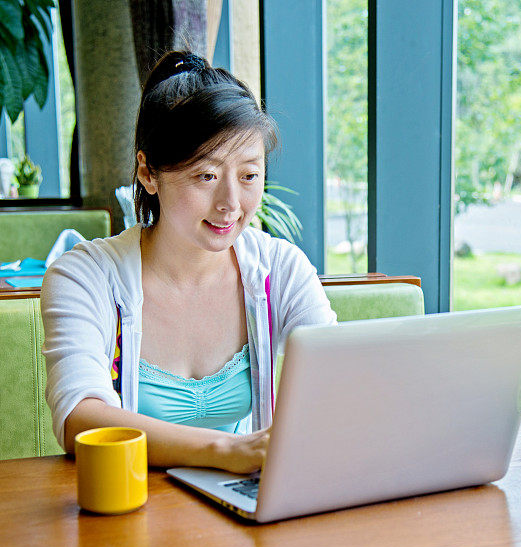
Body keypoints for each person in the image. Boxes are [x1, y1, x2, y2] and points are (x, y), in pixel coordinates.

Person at [41, 51, 336, 474]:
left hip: (244, 511)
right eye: (206, 176)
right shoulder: (86, 276)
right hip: (129, 510)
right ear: (148, 173)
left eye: (249, 175)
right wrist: (225, 451)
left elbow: (338, 380)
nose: (231, 205)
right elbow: (81, 419)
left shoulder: (278, 269)